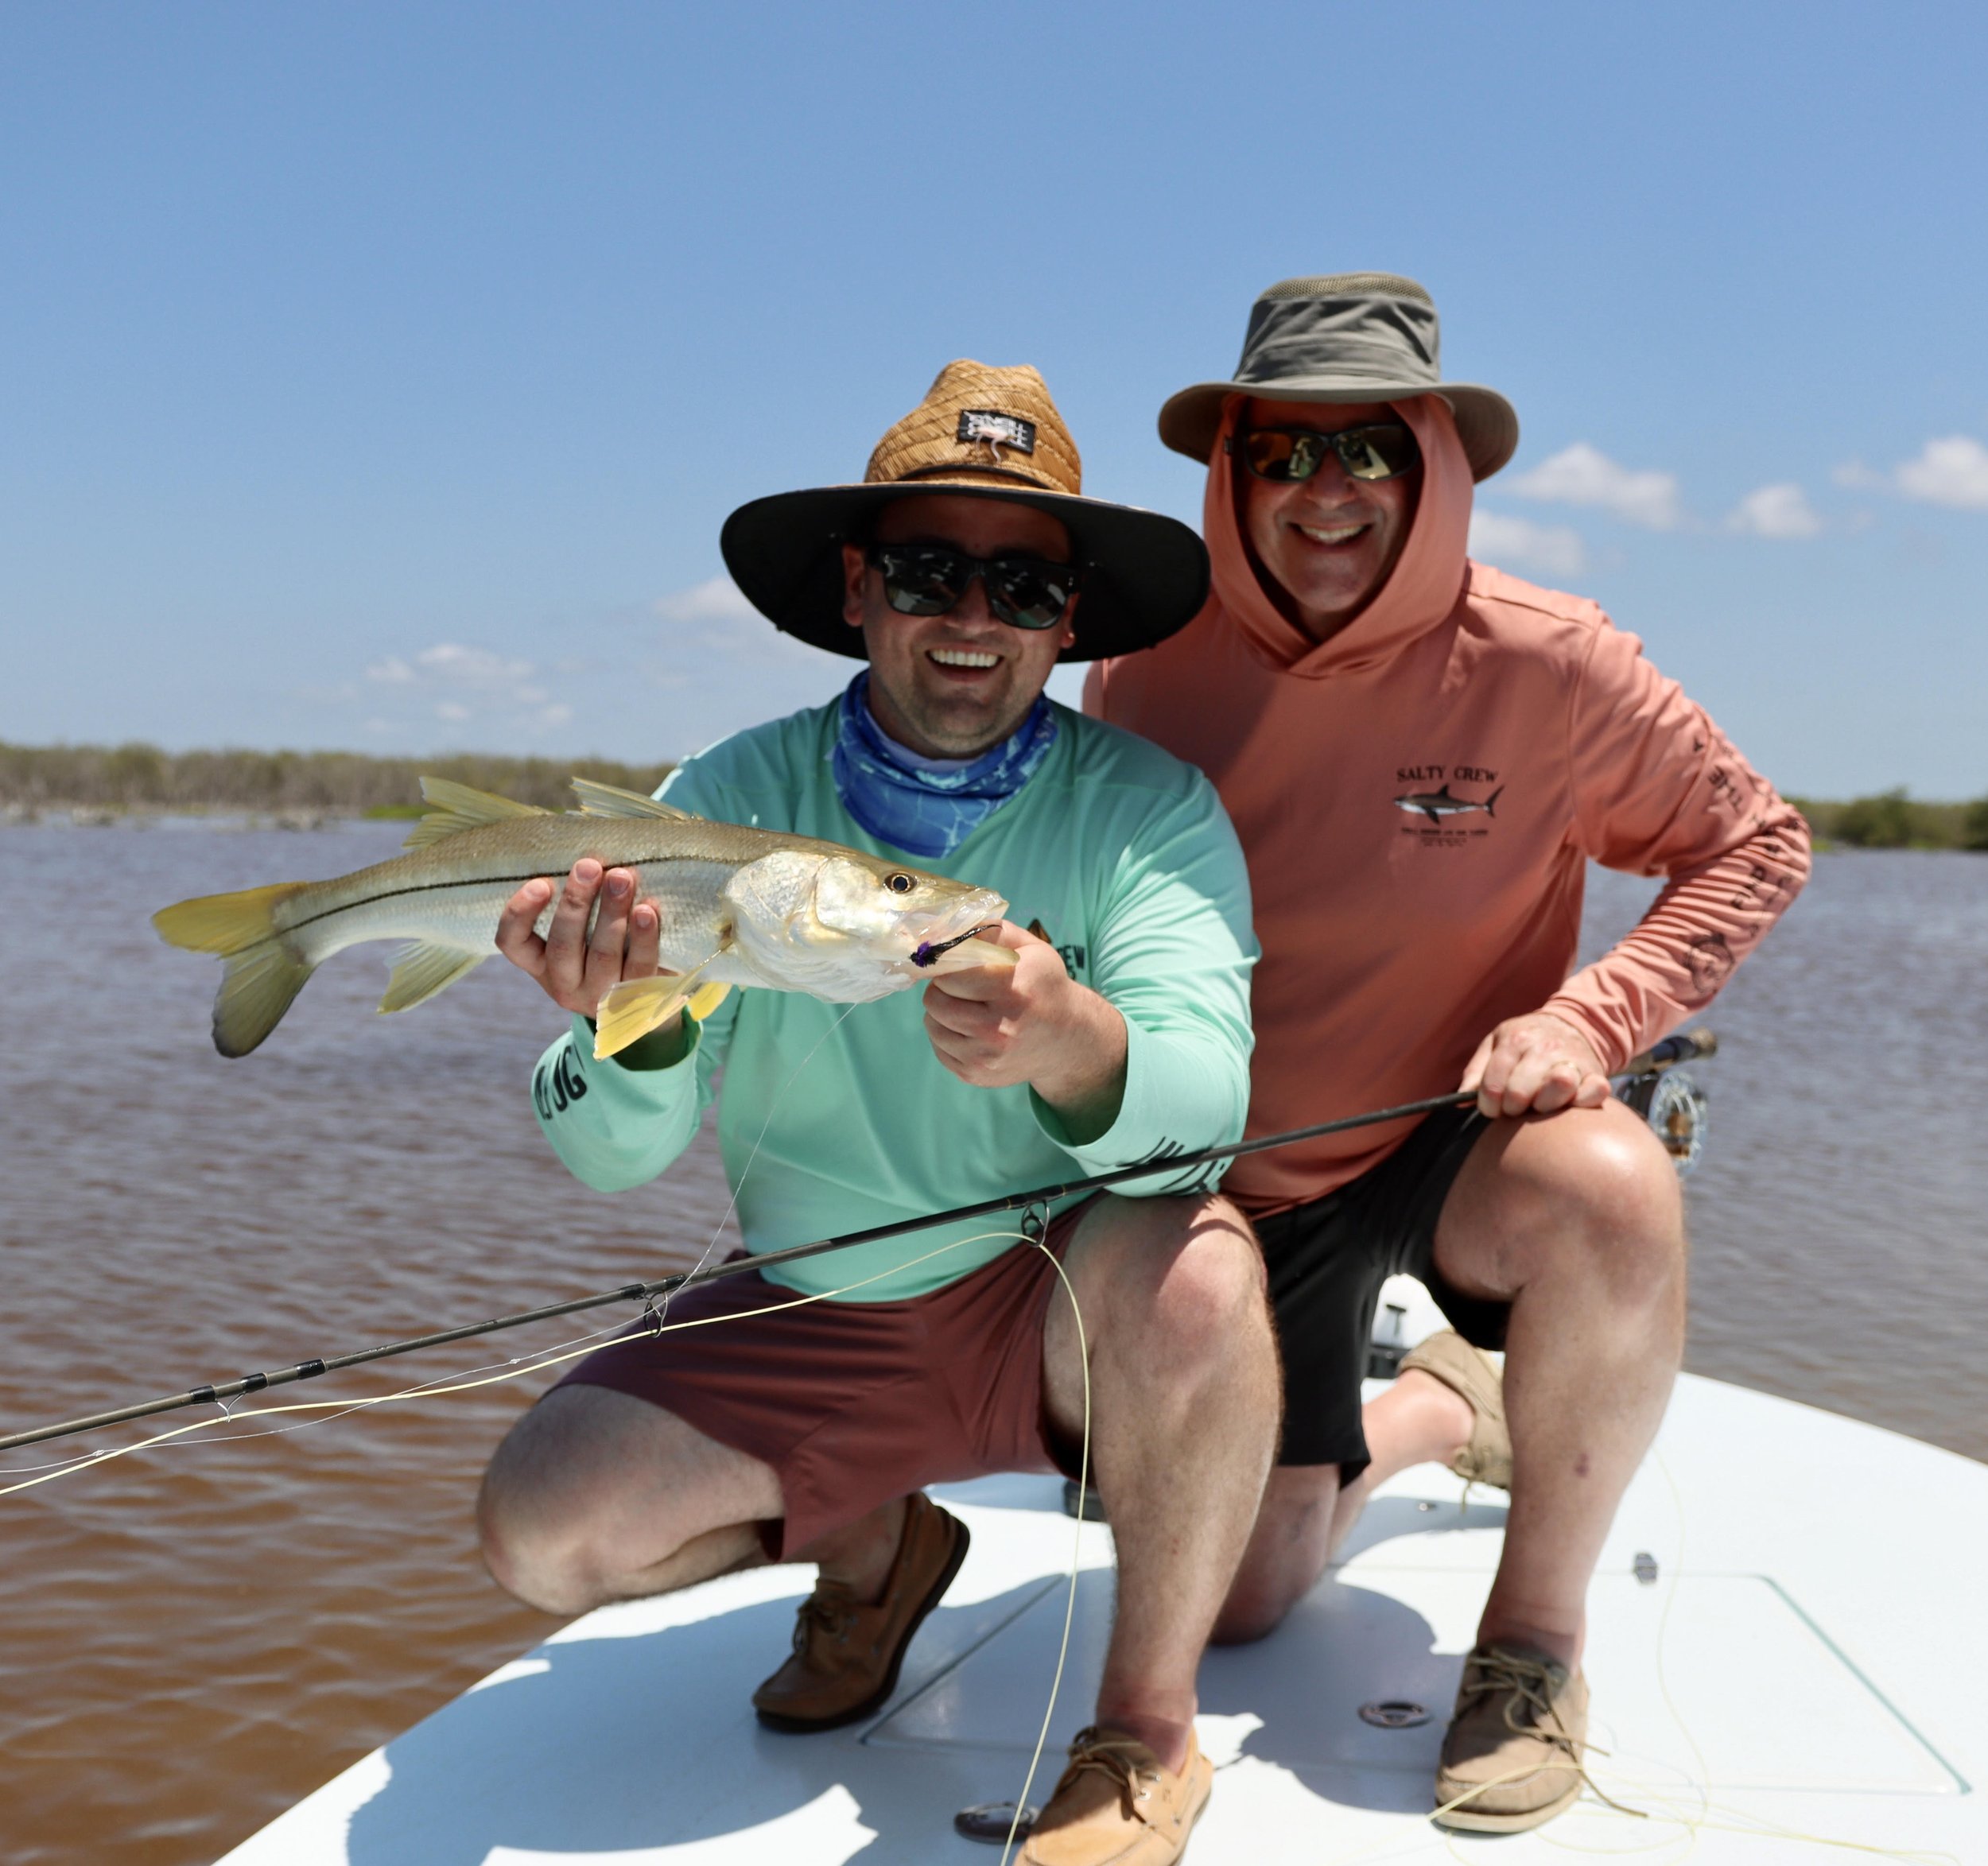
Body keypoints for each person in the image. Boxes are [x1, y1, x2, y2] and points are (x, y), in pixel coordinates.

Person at [476, 362, 1278, 1866]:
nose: (971, 619)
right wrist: (615, 1029)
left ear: (1069, 615)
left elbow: (1209, 1120)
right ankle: (878, 1546)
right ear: (859, 588)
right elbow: (615, 1156)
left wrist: (1075, 1043)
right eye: (927, 569)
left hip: (1058, 1294)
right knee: (544, 1530)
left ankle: (1146, 1738)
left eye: (1023, 584)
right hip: (813, 1294)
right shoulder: (727, 795)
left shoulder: (1151, 810)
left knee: (1209, 1270)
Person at [1087, 274, 1811, 1834]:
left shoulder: (1552, 661)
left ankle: (1533, 1644)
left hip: (1462, 1130)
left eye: (1367, 450)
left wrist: (1586, 1019)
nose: (1324, 492)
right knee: (1250, 1605)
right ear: (1227, 473)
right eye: (1282, 451)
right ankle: (1438, 1404)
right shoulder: (1142, 670)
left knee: (1615, 1185)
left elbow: (1751, 843)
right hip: (1240, 1169)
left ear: (1433, 465)